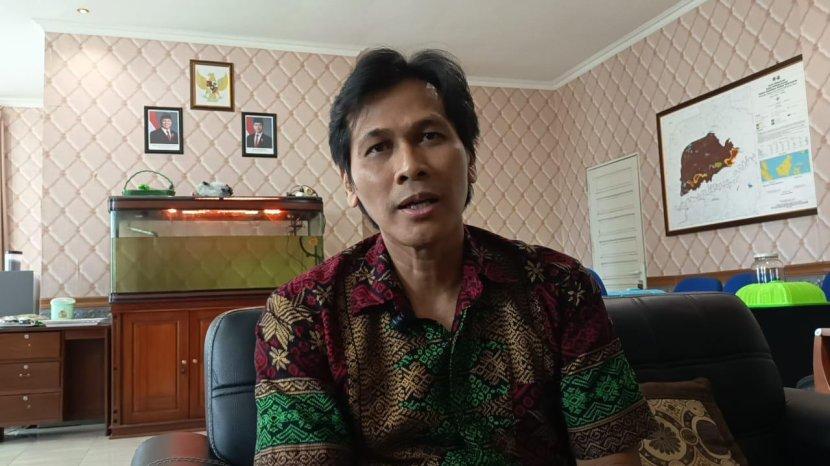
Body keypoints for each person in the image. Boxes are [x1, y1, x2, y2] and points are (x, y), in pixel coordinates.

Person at [254, 48, 655, 465]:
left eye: (430, 136)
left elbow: (610, 456)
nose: (409, 167)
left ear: (471, 160)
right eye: (378, 147)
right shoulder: (301, 314)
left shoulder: (560, 286)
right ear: (349, 183)